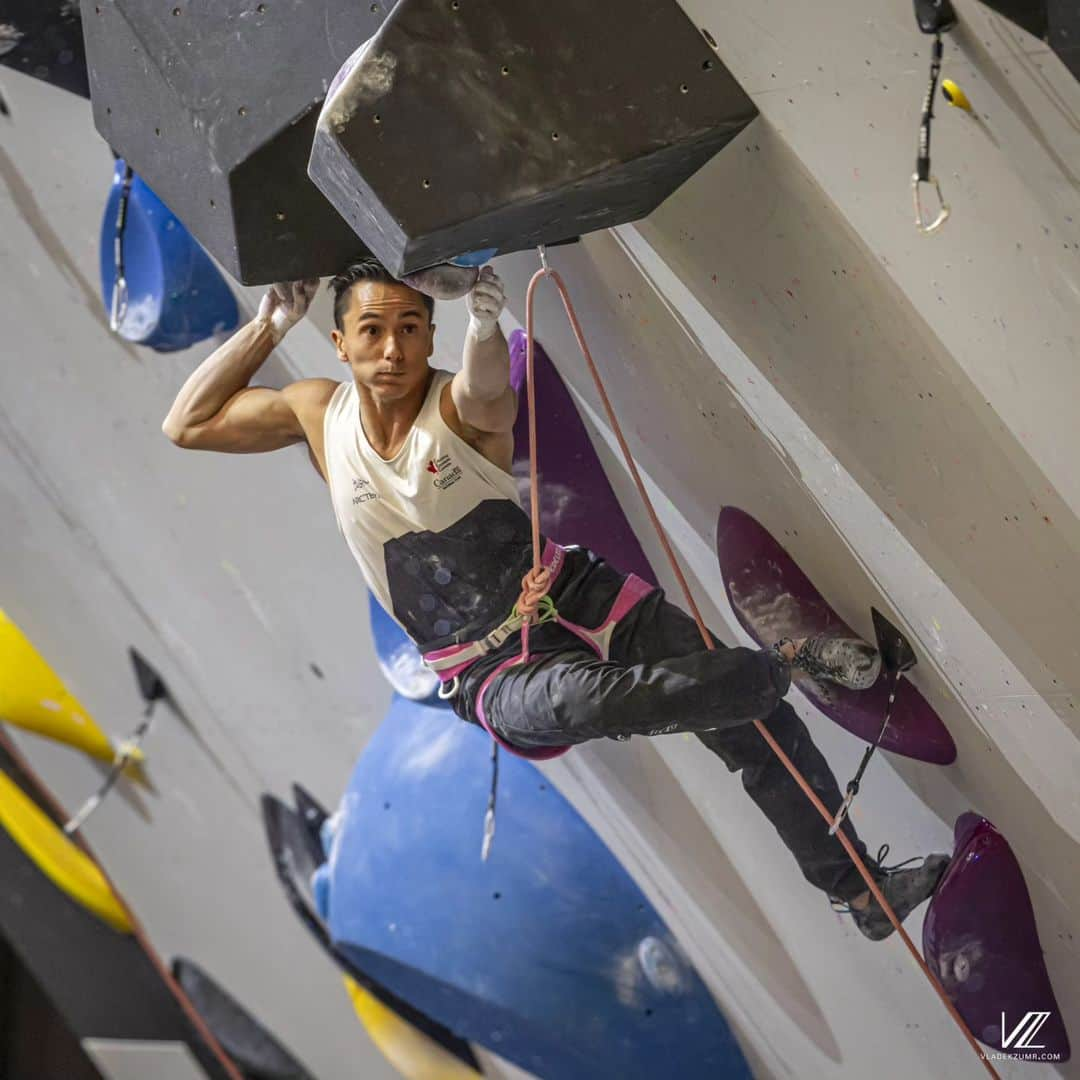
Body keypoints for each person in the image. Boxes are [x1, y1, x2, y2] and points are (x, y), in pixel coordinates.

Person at [162, 259, 948, 941]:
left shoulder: (459, 410)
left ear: (430, 338)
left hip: (581, 596)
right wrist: (270, 322)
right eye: (372, 331)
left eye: (410, 327)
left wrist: (482, 318)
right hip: (490, 674)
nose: (393, 348)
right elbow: (186, 423)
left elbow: (489, 396)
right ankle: (786, 664)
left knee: (756, 731)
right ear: (340, 345)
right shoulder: (315, 412)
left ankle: (856, 891)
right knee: (587, 704)